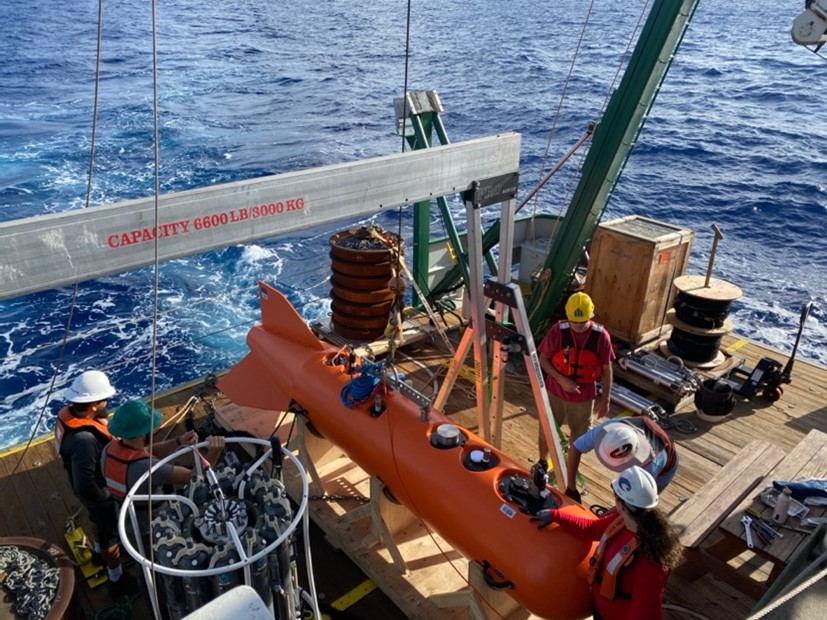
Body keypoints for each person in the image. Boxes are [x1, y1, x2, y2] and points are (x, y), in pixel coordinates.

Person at [531, 466, 682, 620]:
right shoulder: (622, 520)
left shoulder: (651, 560)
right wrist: (555, 515)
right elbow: (591, 529)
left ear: (622, 504)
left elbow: (643, 614)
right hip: (601, 609)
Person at [54, 370, 140, 597]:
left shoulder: (68, 415)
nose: (107, 403)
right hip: (98, 494)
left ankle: (96, 550)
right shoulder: (85, 440)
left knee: (98, 526)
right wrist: (107, 497)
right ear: (92, 405)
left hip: (87, 490)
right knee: (110, 537)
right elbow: (85, 484)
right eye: (104, 399)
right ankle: (117, 578)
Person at [102, 399, 224, 510]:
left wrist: (178, 441)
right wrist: (214, 451)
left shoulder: (109, 448)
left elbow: (147, 451)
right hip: (152, 521)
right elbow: (193, 478)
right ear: (143, 434)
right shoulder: (148, 468)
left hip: (124, 510)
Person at [537, 292, 615, 460]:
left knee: (579, 440)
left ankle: (570, 468)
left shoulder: (601, 336)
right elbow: (543, 360)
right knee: (546, 432)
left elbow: (607, 370)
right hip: (555, 392)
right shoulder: (557, 331)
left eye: (582, 322)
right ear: (567, 316)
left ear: (591, 316)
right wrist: (561, 380)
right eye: (574, 322)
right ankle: (542, 461)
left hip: (584, 397)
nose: (578, 326)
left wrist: (605, 400)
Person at [564, 417, 679, 501]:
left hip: (665, 467)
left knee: (645, 502)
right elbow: (576, 448)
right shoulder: (609, 429)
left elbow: (636, 503)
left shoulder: (651, 466)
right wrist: (571, 488)